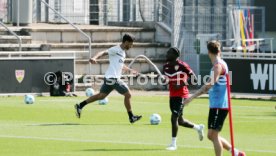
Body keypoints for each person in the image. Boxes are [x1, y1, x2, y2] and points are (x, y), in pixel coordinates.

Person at [184, 41, 246, 156]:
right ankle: (236, 153)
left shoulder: (218, 66)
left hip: (220, 105)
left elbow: (208, 86)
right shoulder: (219, 64)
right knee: (210, 135)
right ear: (219, 51)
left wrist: (191, 98)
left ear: (208, 52)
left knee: (214, 135)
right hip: (216, 104)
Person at [74, 33, 142, 124]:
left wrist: (130, 70)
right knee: (128, 95)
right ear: (126, 42)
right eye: (130, 44)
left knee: (101, 96)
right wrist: (94, 58)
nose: (131, 46)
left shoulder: (123, 53)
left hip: (109, 78)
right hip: (113, 78)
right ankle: (131, 117)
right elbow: (102, 52)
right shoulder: (116, 49)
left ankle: (80, 105)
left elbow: (120, 65)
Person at [163, 47, 205, 151]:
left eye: (169, 53)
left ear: (175, 55)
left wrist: (181, 84)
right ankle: (198, 128)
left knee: (174, 118)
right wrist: (165, 81)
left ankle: (173, 144)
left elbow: (195, 80)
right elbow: (166, 81)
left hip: (181, 95)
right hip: (172, 95)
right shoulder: (166, 67)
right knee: (180, 121)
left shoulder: (183, 66)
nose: (167, 54)